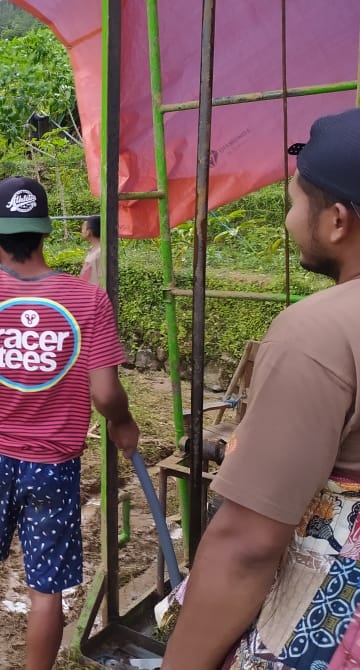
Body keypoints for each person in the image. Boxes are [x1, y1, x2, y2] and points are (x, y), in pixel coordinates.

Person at [162, 108, 360, 669]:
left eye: (293, 204)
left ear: (337, 221)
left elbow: (247, 544)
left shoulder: (318, 333)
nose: (290, 221)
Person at [0, 176, 140, 670]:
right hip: (54, 464)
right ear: (45, 232)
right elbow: (106, 393)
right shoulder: (88, 300)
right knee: (46, 586)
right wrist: (123, 423)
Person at [79, 214, 103, 287]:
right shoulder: (93, 249)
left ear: (89, 232)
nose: (81, 231)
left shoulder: (100, 252)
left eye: (83, 228)